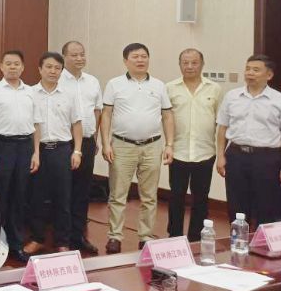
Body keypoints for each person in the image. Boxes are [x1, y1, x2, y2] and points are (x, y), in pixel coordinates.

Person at [100, 43, 174, 254]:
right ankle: (115, 236)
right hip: (122, 145)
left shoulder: (159, 85)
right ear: (126, 61)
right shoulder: (114, 84)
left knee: (149, 196)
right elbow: (106, 115)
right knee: (118, 194)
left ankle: (146, 236)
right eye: (135, 56)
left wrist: (169, 145)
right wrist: (105, 143)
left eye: (144, 56)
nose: (140, 60)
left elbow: (167, 115)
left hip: (152, 146)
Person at [216, 54, 281, 228]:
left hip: (267, 158)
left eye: (256, 70)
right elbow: (222, 128)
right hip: (236, 156)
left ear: (269, 75)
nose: (250, 73)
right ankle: (238, 241)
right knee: (236, 204)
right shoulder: (232, 96)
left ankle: (263, 242)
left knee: (267, 205)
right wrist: (220, 156)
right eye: (248, 69)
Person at [0, 50, 39, 262]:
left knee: (20, 197)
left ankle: (16, 244)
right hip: (1, 146)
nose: (13, 67)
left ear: (23, 67)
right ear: (1, 66)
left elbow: (36, 125)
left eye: (16, 64)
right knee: (0, 196)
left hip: (25, 146)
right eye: (8, 63)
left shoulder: (31, 92)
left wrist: (36, 153)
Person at [24, 52, 82, 255]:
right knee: (37, 197)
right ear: (40, 69)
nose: (53, 71)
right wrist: (34, 152)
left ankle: (62, 241)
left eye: (57, 68)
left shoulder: (69, 95)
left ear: (61, 71)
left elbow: (77, 124)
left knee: (63, 197)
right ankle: (37, 238)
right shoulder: (29, 93)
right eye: (48, 67)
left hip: (62, 149)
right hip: (37, 150)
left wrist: (77, 151)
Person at [165, 48, 222, 241]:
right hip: (178, 151)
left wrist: (220, 152)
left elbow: (220, 121)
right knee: (176, 196)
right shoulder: (170, 88)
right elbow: (165, 118)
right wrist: (168, 145)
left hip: (205, 152)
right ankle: (174, 236)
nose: (189, 66)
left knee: (201, 197)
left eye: (194, 62)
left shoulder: (214, 89)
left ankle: (196, 237)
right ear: (179, 64)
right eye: (185, 62)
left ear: (202, 64)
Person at [59, 40, 103, 254]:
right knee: (63, 191)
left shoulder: (92, 81)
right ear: (64, 57)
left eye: (82, 54)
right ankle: (62, 238)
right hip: (63, 143)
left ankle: (79, 236)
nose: (79, 58)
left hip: (86, 142)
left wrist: (95, 138)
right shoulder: (57, 80)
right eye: (74, 55)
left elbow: (97, 111)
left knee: (82, 191)